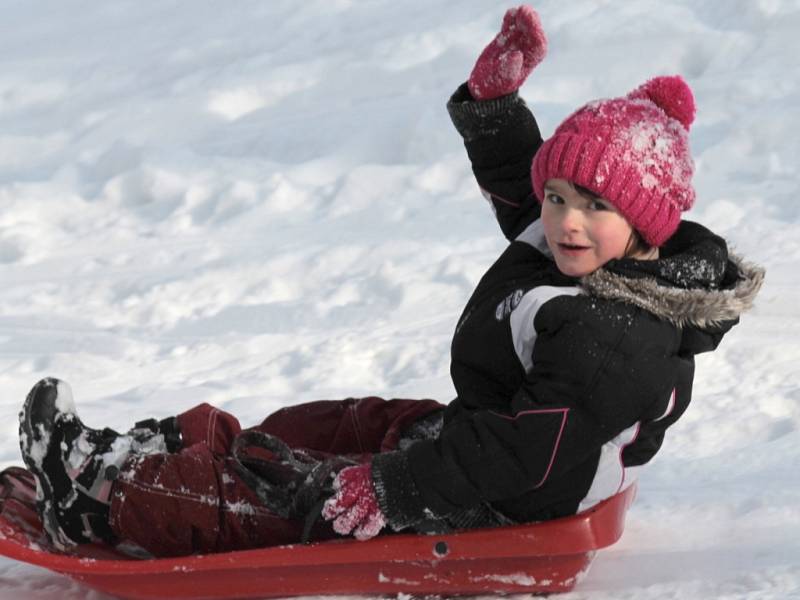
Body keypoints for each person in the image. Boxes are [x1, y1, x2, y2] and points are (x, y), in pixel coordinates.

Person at [18, 5, 764, 558]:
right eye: (560, 197)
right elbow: (522, 182)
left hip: (510, 502)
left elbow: (524, 452)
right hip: (480, 438)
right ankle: (163, 451)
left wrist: (393, 488)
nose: (565, 220)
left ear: (645, 224)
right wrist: (494, 105)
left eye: (594, 206)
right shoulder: (593, 251)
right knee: (335, 427)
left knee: (308, 499)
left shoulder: (616, 337)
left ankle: (111, 501)